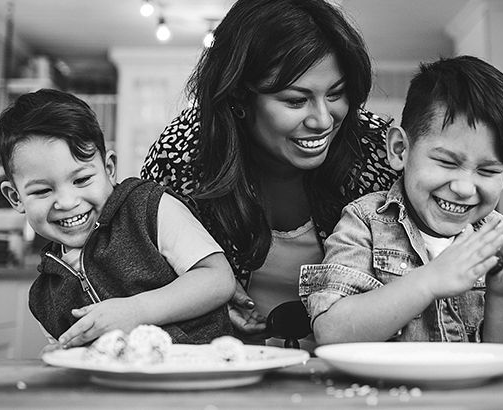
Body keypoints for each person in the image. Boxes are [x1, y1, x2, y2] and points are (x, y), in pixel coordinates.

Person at [141, 0, 399, 349]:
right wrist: (202, 298)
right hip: (224, 371)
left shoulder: (374, 152)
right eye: (296, 100)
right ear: (238, 97)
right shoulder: (182, 154)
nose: (323, 120)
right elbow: (140, 267)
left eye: (336, 94)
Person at [299, 55, 503, 353]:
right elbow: (332, 332)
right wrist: (429, 280)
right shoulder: (365, 221)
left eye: (487, 171)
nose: (464, 188)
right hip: (388, 399)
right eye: (446, 162)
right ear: (400, 150)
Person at [0, 89, 236, 348]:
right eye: (42, 190)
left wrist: (135, 311)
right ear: (15, 197)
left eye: (82, 179)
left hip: (201, 377)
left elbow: (218, 279)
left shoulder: (148, 208)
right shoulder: (44, 297)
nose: (67, 202)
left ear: (109, 169)